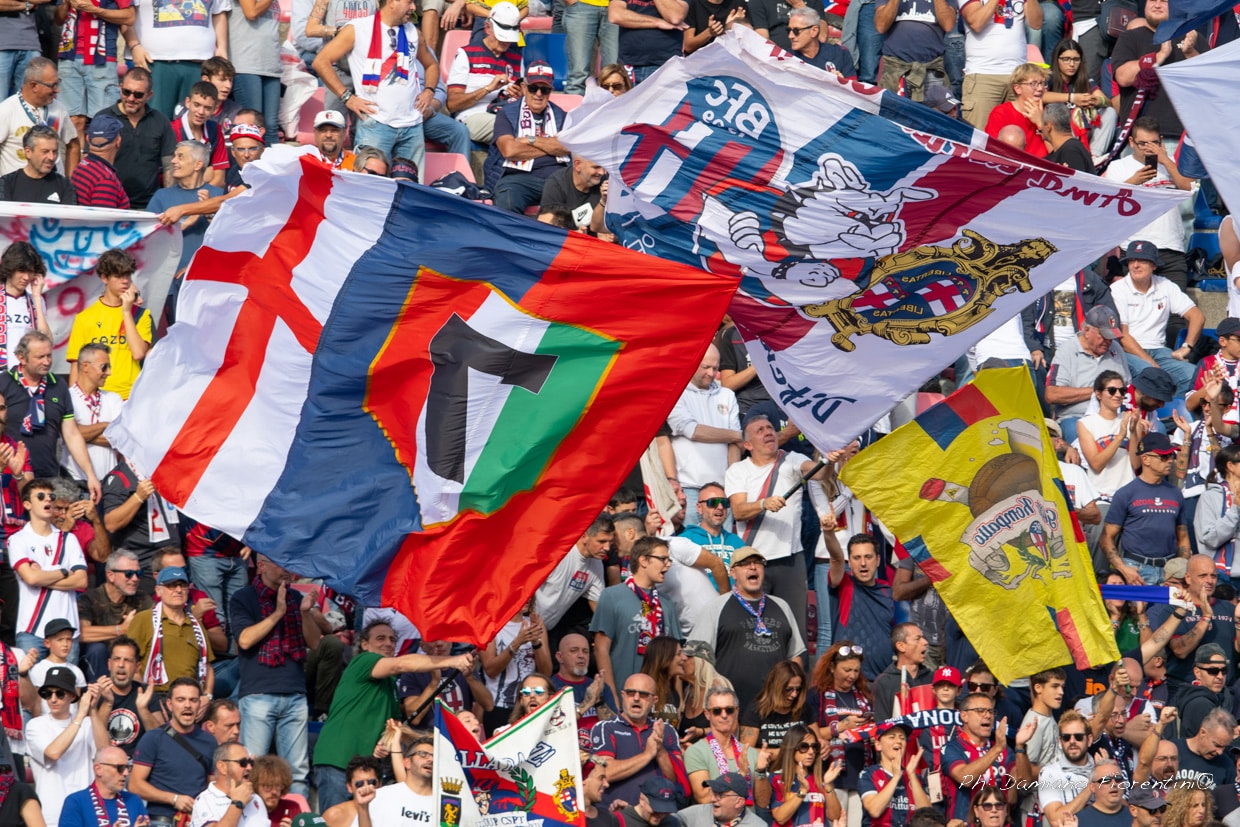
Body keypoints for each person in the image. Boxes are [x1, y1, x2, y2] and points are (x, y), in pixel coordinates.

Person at [311, 619, 474, 810]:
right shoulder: (363, 661)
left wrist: (386, 741)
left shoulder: (391, 685)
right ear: (365, 644)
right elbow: (401, 664)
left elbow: (399, 725)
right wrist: (452, 661)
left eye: (392, 639)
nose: (388, 643)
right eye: (380, 638)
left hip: (366, 771)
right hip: (338, 760)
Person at [727, 415, 830, 641]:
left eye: (770, 428)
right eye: (760, 430)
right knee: (753, 630)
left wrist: (830, 459)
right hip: (752, 559)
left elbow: (819, 472)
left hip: (791, 560)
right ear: (748, 445)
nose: (768, 432)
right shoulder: (738, 471)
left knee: (795, 630)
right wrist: (764, 504)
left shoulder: (792, 459)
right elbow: (738, 511)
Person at [232, 555, 325, 797]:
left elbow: (314, 643)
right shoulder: (243, 598)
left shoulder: (295, 597)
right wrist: (278, 613)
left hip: (294, 693)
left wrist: (305, 613)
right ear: (261, 566)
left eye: (288, 563)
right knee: (253, 770)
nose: (286, 569)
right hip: (258, 695)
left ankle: (297, 822)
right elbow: (244, 639)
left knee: (298, 773)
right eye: (279, 563)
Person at [312, 0, 440, 176]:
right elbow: (321, 61)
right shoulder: (357, 29)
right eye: (409, 2)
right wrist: (347, 97)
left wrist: (429, 91)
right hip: (376, 124)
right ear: (392, 2)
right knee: (367, 190)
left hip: (412, 126)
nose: (413, 8)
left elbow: (432, 65)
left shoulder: (413, 32)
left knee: (410, 192)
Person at [699, 547, 806, 710]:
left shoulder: (781, 605)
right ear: (733, 573)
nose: (753, 567)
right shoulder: (716, 606)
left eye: (758, 563)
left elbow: (795, 656)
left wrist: (792, 693)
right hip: (731, 709)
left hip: (775, 707)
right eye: (745, 564)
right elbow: (698, 658)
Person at [0, 331, 100, 494]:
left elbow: (71, 434)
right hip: (12, 476)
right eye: (40, 357)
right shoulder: (4, 382)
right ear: (21, 357)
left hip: (48, 477)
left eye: (49, 356)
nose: (47, 362)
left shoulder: (58, 385)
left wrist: (90, 474)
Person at [592, 536, 681, 703]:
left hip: (660, 700)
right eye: (662, 559)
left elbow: (675, 654)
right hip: (625, 695)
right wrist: (612, 695)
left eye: (669, 560)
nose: (668, 564)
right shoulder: (612, 596)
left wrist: (679, 698)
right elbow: (601, 648)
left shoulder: (667, 603)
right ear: (643, 560)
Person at [1110, 240, 1205, 396]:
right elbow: (1124, 337)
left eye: (1142, 260)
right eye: (1132, 260)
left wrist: (1187, 347)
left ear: (1154, 265)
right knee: (1152, 377)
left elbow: (1197, 316)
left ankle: (1173, 415)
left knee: (1194, 376)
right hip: (1128, 352)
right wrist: (1153, 365)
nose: (1135, 265)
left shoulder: (1165, 285)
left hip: (1160, 351)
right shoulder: (1117, 289)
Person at [128, 677, 224, 825]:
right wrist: (174, 799)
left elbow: (212, 785)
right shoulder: (153, 739)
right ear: (170, 705)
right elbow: (135, 785)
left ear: (200, 704)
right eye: (181, 699)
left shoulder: (209, 741)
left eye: (193, 700)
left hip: (196, 820)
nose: (187, 705)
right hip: (160, 821)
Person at [8, 478, 87, 655]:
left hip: (66, 630)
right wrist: (64, 571)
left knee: (67, 682)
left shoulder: (69, 539)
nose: (48, 500)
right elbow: (31, 577)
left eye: (51, 496)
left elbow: (81, 580)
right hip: (32, 629)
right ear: (27, 504)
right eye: (41, 496)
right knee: (29, 682)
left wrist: (44, 577)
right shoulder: (18, 540)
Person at [590, 671, 687, 809]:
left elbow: (677, 780)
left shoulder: (666, 730)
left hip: (657, 815)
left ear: (654, 700)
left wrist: (660, 750)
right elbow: (605, 773)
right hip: (616, 814)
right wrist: (647, 755)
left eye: (643, 694)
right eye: (631, 693)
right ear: (623, 695)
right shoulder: (606, 727)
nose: (636, 698)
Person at [1102, 432, 1189, 586]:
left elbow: (1182, 537)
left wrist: (1181, 570)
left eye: (1171, 455)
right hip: (1136, 569)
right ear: (1145, 459)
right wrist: (1122, 568)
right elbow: (1106, 537)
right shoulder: (1126, 493)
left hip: (1169, 571)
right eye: (1163, 457)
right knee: (1137, 610)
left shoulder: (1176, 494)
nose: (1170, 460)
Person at [66, 249, 151, 401]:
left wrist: (126, 312)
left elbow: (138, 353)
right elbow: (76, 366)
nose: (125, 281)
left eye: (127, 275)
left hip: (132, 396)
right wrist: (74, 404)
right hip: (98, 397)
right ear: (105, 278)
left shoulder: (141, 315)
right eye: (119, 276)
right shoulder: (85, 318)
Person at [490, 61, 571, 213]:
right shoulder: (507, 113)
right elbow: (510, 150)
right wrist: (552, 146)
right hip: (518, 179)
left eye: (544, 89)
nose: (539, 94)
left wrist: (530, 140)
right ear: (524, 87)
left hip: (557, 178)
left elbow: (567, 146)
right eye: (534, 88)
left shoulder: (562, 115)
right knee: (507, 201)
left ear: (551, 90)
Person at [25, 667, 102, 827]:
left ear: (72, 696)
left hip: (86, 811)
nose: (53, 699)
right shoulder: (35, 725)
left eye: (59, 693)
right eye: (48, 694)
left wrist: (93, 711)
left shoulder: (87, 723)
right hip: (51, 814)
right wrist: (81, 715)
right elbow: (53, 753)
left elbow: (106, 753)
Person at [95, 67, 175, 210]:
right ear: (120, 88)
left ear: (149, 95)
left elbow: (169, 166)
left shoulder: (160, 121)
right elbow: (93, 162)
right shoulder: (104, 118)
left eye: (138, 95)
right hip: (110, 204)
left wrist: (169, 203)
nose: (131, 98)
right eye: (126, 92)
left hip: (149, 206)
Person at [127, 566, 215, 694]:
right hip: (156, 696)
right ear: (158, 590)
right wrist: (145, 696)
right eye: (171, 586)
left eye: (182, 585)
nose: (178, 590)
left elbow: (207, 666)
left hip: (190, 699)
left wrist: (207, 696)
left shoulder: (196, 625)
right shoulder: (144, 619)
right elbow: (130, 661)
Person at [444, 7, 522, 147]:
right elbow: (452, 104)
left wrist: (519, 94)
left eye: (509, 37)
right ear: (487, 28)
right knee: (513, 127)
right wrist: (488, 89)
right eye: (501, 36)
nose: (506, 42)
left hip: (506, 113)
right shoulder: (466, 54)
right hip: (472, 116)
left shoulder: (516, 58)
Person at [958, 0, 1040, 130]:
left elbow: (1036, 23)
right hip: (983, 75)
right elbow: (976, 23)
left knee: (1019, 138)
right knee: (979, 138)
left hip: (1018, 77)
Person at [685, 685, 770, 804]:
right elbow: (704, 798)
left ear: (737, 711)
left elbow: (763, 802)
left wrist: (761, 772)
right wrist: (740, 775)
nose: (724, 715)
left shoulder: (750, 752)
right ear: (707, 714)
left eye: (729, 710)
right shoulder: (696, 752)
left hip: (749, 820)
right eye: (717, 711)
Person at [827, 532, 895, 681]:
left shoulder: (888, 591)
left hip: (882, 681)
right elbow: (836, 558)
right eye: (857, 558)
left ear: (877, 560)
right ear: (849, 562)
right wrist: (828, 532)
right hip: (849, 682)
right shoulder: (844, 585)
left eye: (868, 557)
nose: (863, 563)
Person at [77, 549, 152, 680]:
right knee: (97, 649)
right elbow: (81, 633)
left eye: (138, 573)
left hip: (129, 660)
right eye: (129, 574)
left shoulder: (142, 599)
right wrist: (121, 630)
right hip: (98, 661)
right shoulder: (90, 598)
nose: (135, 579)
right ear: (111, 575)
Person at [0, 58, 80, 177]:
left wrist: (69, 185)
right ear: (34, 86)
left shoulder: (59, 108)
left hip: (53, 189)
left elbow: (73, 145)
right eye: (53, 85)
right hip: (18, 191)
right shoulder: (6, 110)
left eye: (58, 83)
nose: (57, 90)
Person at [942, 692, 1014, 820]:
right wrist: (997, 749)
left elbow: (1020, 784)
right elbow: (965, 779)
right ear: (964, 716)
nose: (987, 715)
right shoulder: (952, 748)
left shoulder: (1003, 749)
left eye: (991, 711)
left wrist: (1020, 748)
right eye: (980, 711)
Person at [90, 636, 162, 757]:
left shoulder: (144, 692)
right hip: (106, 763)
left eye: (127, 660)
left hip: (138, 764)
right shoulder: (97, 692)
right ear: (109, 664)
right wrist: (107, 703)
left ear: (137, 667)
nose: (121, 665)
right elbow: (94, 740)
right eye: (117, 659)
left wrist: (143, 709)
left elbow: (161, 739)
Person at [1042, 39, 1114, 159]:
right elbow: (1041, 96)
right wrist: (1072, 98)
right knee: (1070, 114)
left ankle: (1094, 156)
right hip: (1062, 131)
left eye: (1076, 59)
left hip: (1084, 128)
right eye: (1066, 59)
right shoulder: (1049, 77)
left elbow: (1107, 101)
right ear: (1057, 60)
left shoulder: (1083, 79)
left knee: (1110, 112)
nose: (1071, 64)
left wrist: (1097, 101)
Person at [874, 0, 955, 101]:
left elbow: (948, 25)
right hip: (896, 70)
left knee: (932, 115)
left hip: (931, 70)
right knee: (892, 114)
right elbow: (881, 26)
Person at [354, 729, 436, 827]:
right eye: (422, 754)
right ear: (407, 762)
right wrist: (363, 807)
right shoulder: (379, 796)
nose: (431, 759)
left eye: (434, 756)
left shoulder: (445, 804)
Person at [1076, 370, 1137, 500]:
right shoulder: (1086, 423)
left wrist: (1134, 433)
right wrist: (1120, 436)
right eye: (1112, 390)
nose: (1118, 395)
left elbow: (1136, 464)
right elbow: (1096, 464)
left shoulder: (1131, 420)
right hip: (1100, 493)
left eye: (1122, 390)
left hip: (1129, 494)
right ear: (1098, 394)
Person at [770, 724, 843, 827]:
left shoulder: (821, 779)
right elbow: (780, 818)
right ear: (792, 748)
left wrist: (828, 785)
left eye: (814, 747)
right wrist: (802, 791)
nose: (811, 752)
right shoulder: (776, 778)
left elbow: (835, 817)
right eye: (804, 747)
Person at [860, 722, 931, 827]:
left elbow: (927, 818)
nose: (898, 741)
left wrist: (911, 775)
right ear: (878, 745)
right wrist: (896, 777)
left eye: (902, 738)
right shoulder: (868, 774)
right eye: (892, 737)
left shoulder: (916, 778)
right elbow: (874, 810)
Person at [59, 746, 149, 827]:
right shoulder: (76, 802)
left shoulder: (133, 800)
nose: (125, 773)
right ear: (98, 769)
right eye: (120, 768)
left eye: (128, 768)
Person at [1037, 710, 1095, 827]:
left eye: (1078, 737)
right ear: (1060, 742)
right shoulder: (1050, 773)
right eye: (1066, 737)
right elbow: (1055, 819)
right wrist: (1092, 785)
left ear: (1089, 740)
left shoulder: (1103, 770)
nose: (1072, 741)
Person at [190, 741, 267, 827]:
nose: (249, 767)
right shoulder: (204, 801)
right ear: (222, 767)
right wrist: (238, 804)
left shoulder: (256, 799)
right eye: (243, 763)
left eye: (251, 763)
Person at [610, 0, 687, 84]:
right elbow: (615, 16)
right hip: (630, 64)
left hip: (664, 64)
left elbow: (675, 17)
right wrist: (658, 22)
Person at [740, 660, 808, 753]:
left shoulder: (803, 708)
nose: (794, 694)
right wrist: (782, 754)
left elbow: (816, 739)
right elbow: (746, 751)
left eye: (798, 689)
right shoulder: (755, 711)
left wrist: (822, 744)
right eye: (788, 689)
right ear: (776, 687)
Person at [984, 63, 1049, 157]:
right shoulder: (1001, 113)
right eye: (1033, 84)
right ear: (1018, 88)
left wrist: (1041, 124)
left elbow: (1057, 151)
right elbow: (992, 150)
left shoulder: (1049, 114)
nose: (1040, 88)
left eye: (1042, 83)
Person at [0, 125, 77, 203]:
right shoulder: (6, 184)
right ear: (28, 152)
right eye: (45, 151)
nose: (51, 157)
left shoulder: (65, 186)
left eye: (54, 152)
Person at [872, 623, 930, 721]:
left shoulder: (932, 678)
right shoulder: (884, 682)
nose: (925, 642)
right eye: (917, 638)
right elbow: (881, 723)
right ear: (901, 646)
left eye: (923, 638)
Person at [69, 115, 128, 208]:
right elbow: (104, 220)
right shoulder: (105, 180)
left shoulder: (82, 165)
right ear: (118, 141)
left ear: (88, 139)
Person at [677, 772, 768, 827]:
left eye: (720, 795)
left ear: (739, 802)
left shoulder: (757, 825)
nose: (712, 799)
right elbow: (668, 819)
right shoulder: (697, 812)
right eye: (713, 792)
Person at [321, 756, 381, 827]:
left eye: (371, 782)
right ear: (349, 787)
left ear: (380, 784)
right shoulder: (334, 815)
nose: (366, 787)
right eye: (359, 784)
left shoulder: (389, 809)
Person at [1041, 104, 1094, 173]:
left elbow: (1076, 182)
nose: (1040, 128)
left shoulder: (1071, 151)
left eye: (1042, 124)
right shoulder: (1067, 149)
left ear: (1048, 126)